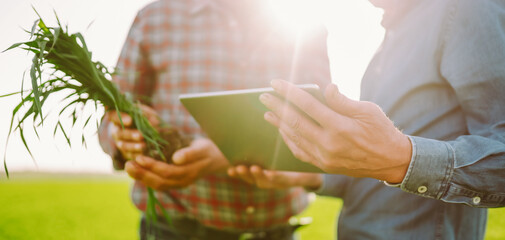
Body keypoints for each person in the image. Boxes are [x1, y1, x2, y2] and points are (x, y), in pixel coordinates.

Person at [229, 0, 505, 239]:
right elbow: (374, 171)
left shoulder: (468, 9)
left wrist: (402, 157)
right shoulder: (393, 35)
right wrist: (312, 176)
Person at [98, 0, 331, 239]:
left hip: (276, 231)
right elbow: (111, 119)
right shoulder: (155, 18)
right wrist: (126, 138)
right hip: (174, 230)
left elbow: (323, 128)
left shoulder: (304, 25)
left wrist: (227, 154)